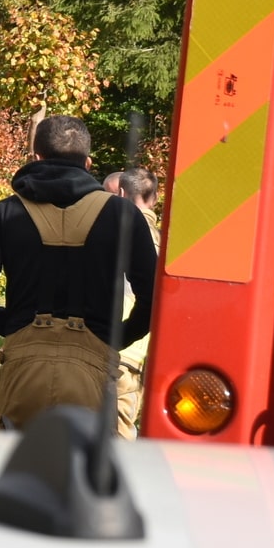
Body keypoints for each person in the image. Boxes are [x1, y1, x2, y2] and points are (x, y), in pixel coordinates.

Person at [0, 115, 158, 431]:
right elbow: (153, 297)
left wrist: (12, 325)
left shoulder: (6, 212)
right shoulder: (123, 214)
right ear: (88, 163)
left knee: (13, 468)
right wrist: (117, 336)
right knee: (87, 474)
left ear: (36, 158)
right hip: (94, 368)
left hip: (23, 368)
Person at [102, 167, 161, 439]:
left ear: (122, 194)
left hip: (114, 347)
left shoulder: (114, 233)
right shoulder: (167, 239)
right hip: (141, 352)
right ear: (155, 198)